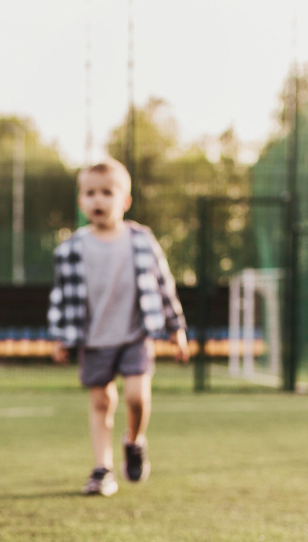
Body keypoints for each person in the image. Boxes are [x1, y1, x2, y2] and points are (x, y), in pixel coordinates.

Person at [48, 158, 190, 497]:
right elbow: (61, 296)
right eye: (90, 193)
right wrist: (60, 338)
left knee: (136, 397)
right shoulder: (70, 249)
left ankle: (134, 441)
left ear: (124, 201)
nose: (98, 200)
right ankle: (102, 470)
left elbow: (163, 285)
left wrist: (177, 329)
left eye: (107, 192)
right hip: (94, 339)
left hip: (135, 336)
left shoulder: (142, 241)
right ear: (81, 201)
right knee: (101, 403)